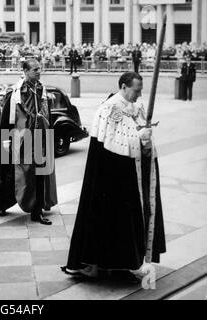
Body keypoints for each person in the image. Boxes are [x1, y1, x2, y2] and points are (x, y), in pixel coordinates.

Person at [61, 72, 166, 282]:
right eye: (136, 90)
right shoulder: (110, 109)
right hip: (112, 179)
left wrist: (146, 141)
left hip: (130, 178)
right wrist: (139, 137)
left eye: (141, 90)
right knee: (109, 222)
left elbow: (139, 142)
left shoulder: (137, 108)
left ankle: (125, 263)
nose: (139, 94)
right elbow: (113, 145)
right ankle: (102, 265)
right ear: (124, 87)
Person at [0, 59, 58, 225]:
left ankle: (36, 212)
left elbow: (46, 115)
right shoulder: (16, 92)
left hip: (39, 138)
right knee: (12, 174)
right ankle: (0, 205)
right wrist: (5, 141)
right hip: (19, 140)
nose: (39, 72)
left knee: (39, 174)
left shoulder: (41, 89)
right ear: (25, 71)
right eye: (35, 69)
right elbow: (7, 119)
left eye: (40, 69)